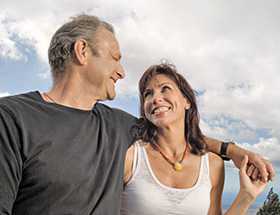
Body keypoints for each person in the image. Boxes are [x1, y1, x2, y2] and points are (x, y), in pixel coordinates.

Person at [0, 14, 274, 214]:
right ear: (82, 51)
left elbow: (178, 136)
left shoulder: (116, 124)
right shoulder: (12, 118)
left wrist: (234, 152)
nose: (121, 71)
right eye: (116, 58)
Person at [121, 62, 269, 215]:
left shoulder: (213, 165)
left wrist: (247, 196)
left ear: (187, 101)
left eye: (165, 89)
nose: (155, 98)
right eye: (148, 94)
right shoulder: (130, 156)